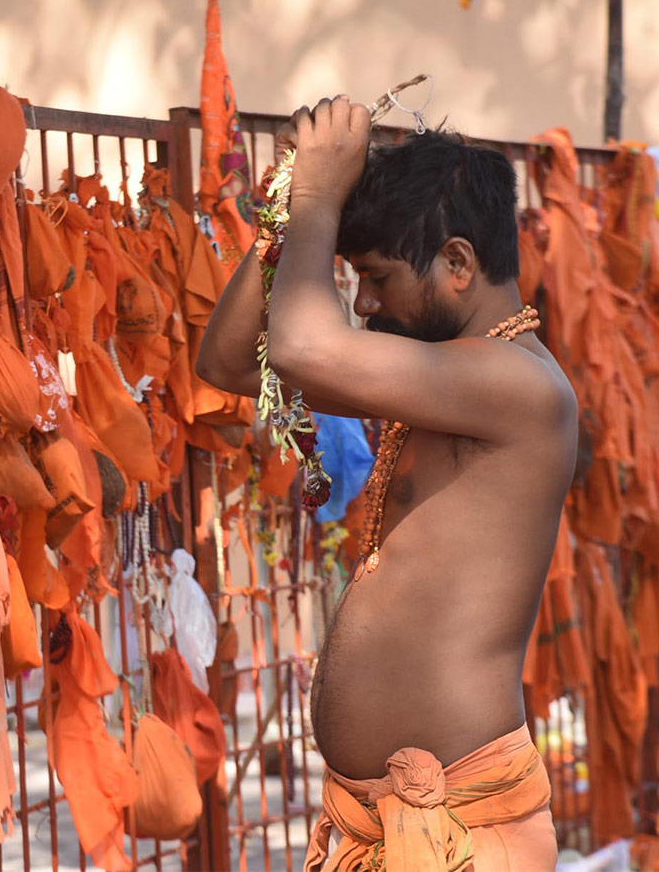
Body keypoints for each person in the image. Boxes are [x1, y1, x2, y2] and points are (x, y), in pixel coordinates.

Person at [197, 96, 576, 871]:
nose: (363, 304)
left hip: (461, 830)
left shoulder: (520, 386)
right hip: (384, 827)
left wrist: (315, 201)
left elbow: (300, 347)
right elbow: (232, 364)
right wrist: (283, 224)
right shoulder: (436, 376)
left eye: (375, 279)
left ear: (460, 265)